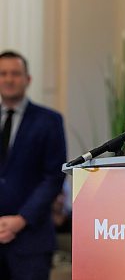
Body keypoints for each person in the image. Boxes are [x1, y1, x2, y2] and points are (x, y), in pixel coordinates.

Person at [0, 50, 67, 279]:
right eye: (3, 73)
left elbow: (54, 177)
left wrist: (21, 219)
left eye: (15, 74)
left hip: (31, 240)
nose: (9, 79)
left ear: (28, 79)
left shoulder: (49, 120)